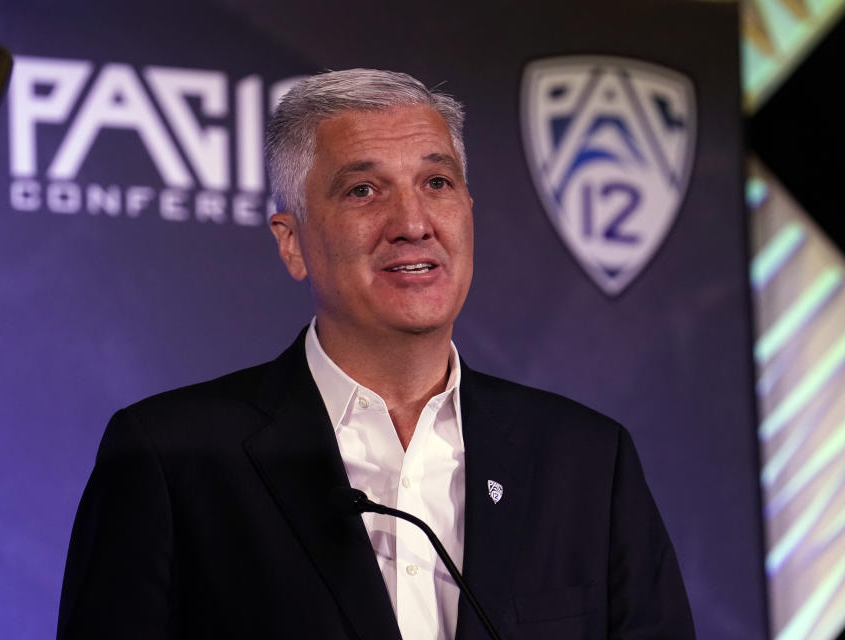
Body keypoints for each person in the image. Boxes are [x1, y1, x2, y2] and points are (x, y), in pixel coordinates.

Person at [57, 69, 694, 640]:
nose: (413, 222)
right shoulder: (171, 457)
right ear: (293, 243)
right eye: (364, 191)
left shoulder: (588, 460)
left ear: (468, 214)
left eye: (437, 182)